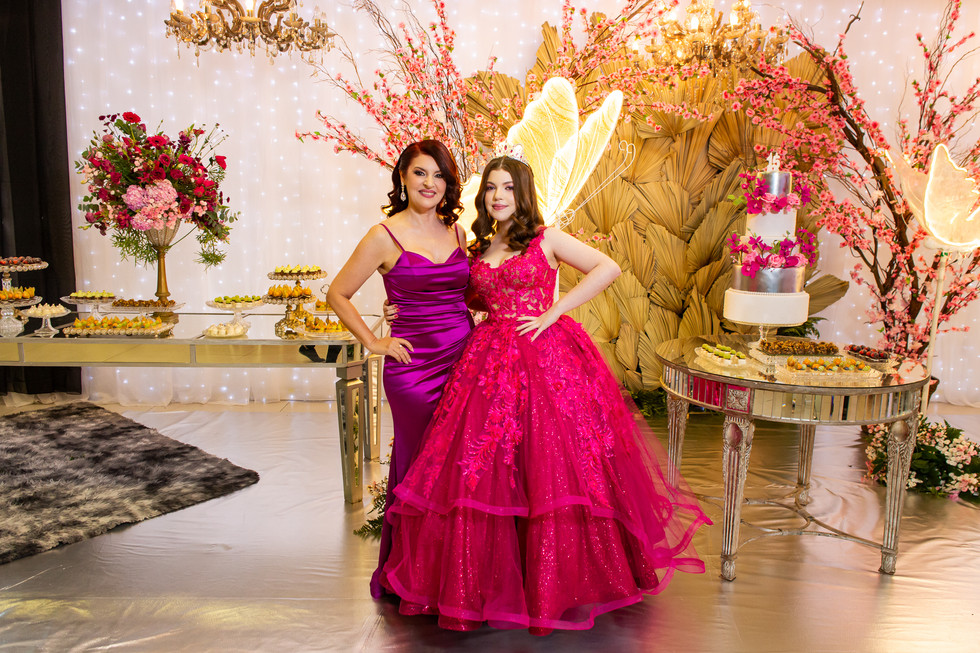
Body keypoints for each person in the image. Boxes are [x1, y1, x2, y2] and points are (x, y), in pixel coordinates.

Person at [376, 154, 711, 633]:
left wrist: (555, 311)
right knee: (487, 467)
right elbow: (454, 298)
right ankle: (493, 577)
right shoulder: (479, 247)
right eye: (491, 187)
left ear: (523, 193)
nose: (498, 196)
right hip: (488, 362)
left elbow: (607, 267)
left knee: (553, 461)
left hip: (544, 356)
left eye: (508, 188)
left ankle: (555, 579)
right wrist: (395, 310)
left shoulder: (545, 237)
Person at [326, 140, 474, 599]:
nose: (430, 183)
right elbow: (337, 293)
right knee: (419, 460)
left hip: (464, 357)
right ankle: (414, 573)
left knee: (462, 463)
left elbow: (463, 294)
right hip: (412, 367)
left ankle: (457, 569)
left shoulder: (458, 232)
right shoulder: (383, 235)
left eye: (439, 175)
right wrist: (374, 341)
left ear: (448, 184)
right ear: (403, 178)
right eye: (420, 173)